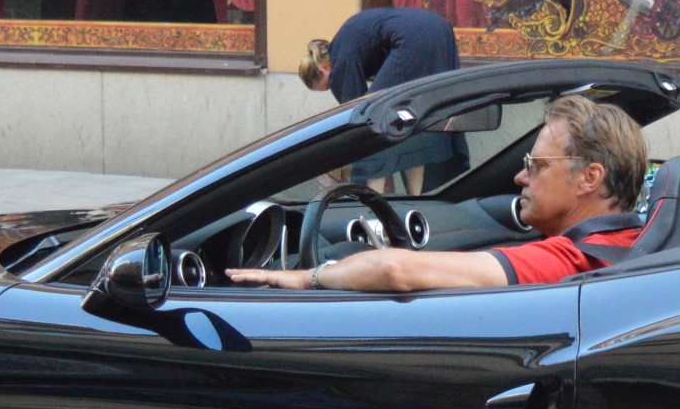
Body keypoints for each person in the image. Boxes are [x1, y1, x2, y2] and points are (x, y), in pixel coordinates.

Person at [231, 94, 647, 292]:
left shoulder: (573, 259)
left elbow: (397, 270)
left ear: (590, 178)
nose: (520, 179)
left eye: (536, 167)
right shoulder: (635, 243)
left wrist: (308, 276)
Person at [299, 6, 465, 193]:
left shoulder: (340, 62)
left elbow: (359, 114)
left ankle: (374, 201)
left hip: (412, 40)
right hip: (440, 28)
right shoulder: (344, 42)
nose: (334, 87)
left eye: (328, 85)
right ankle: (416, 198)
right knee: (414, 124)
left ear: (324, 68)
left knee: (375, 127)